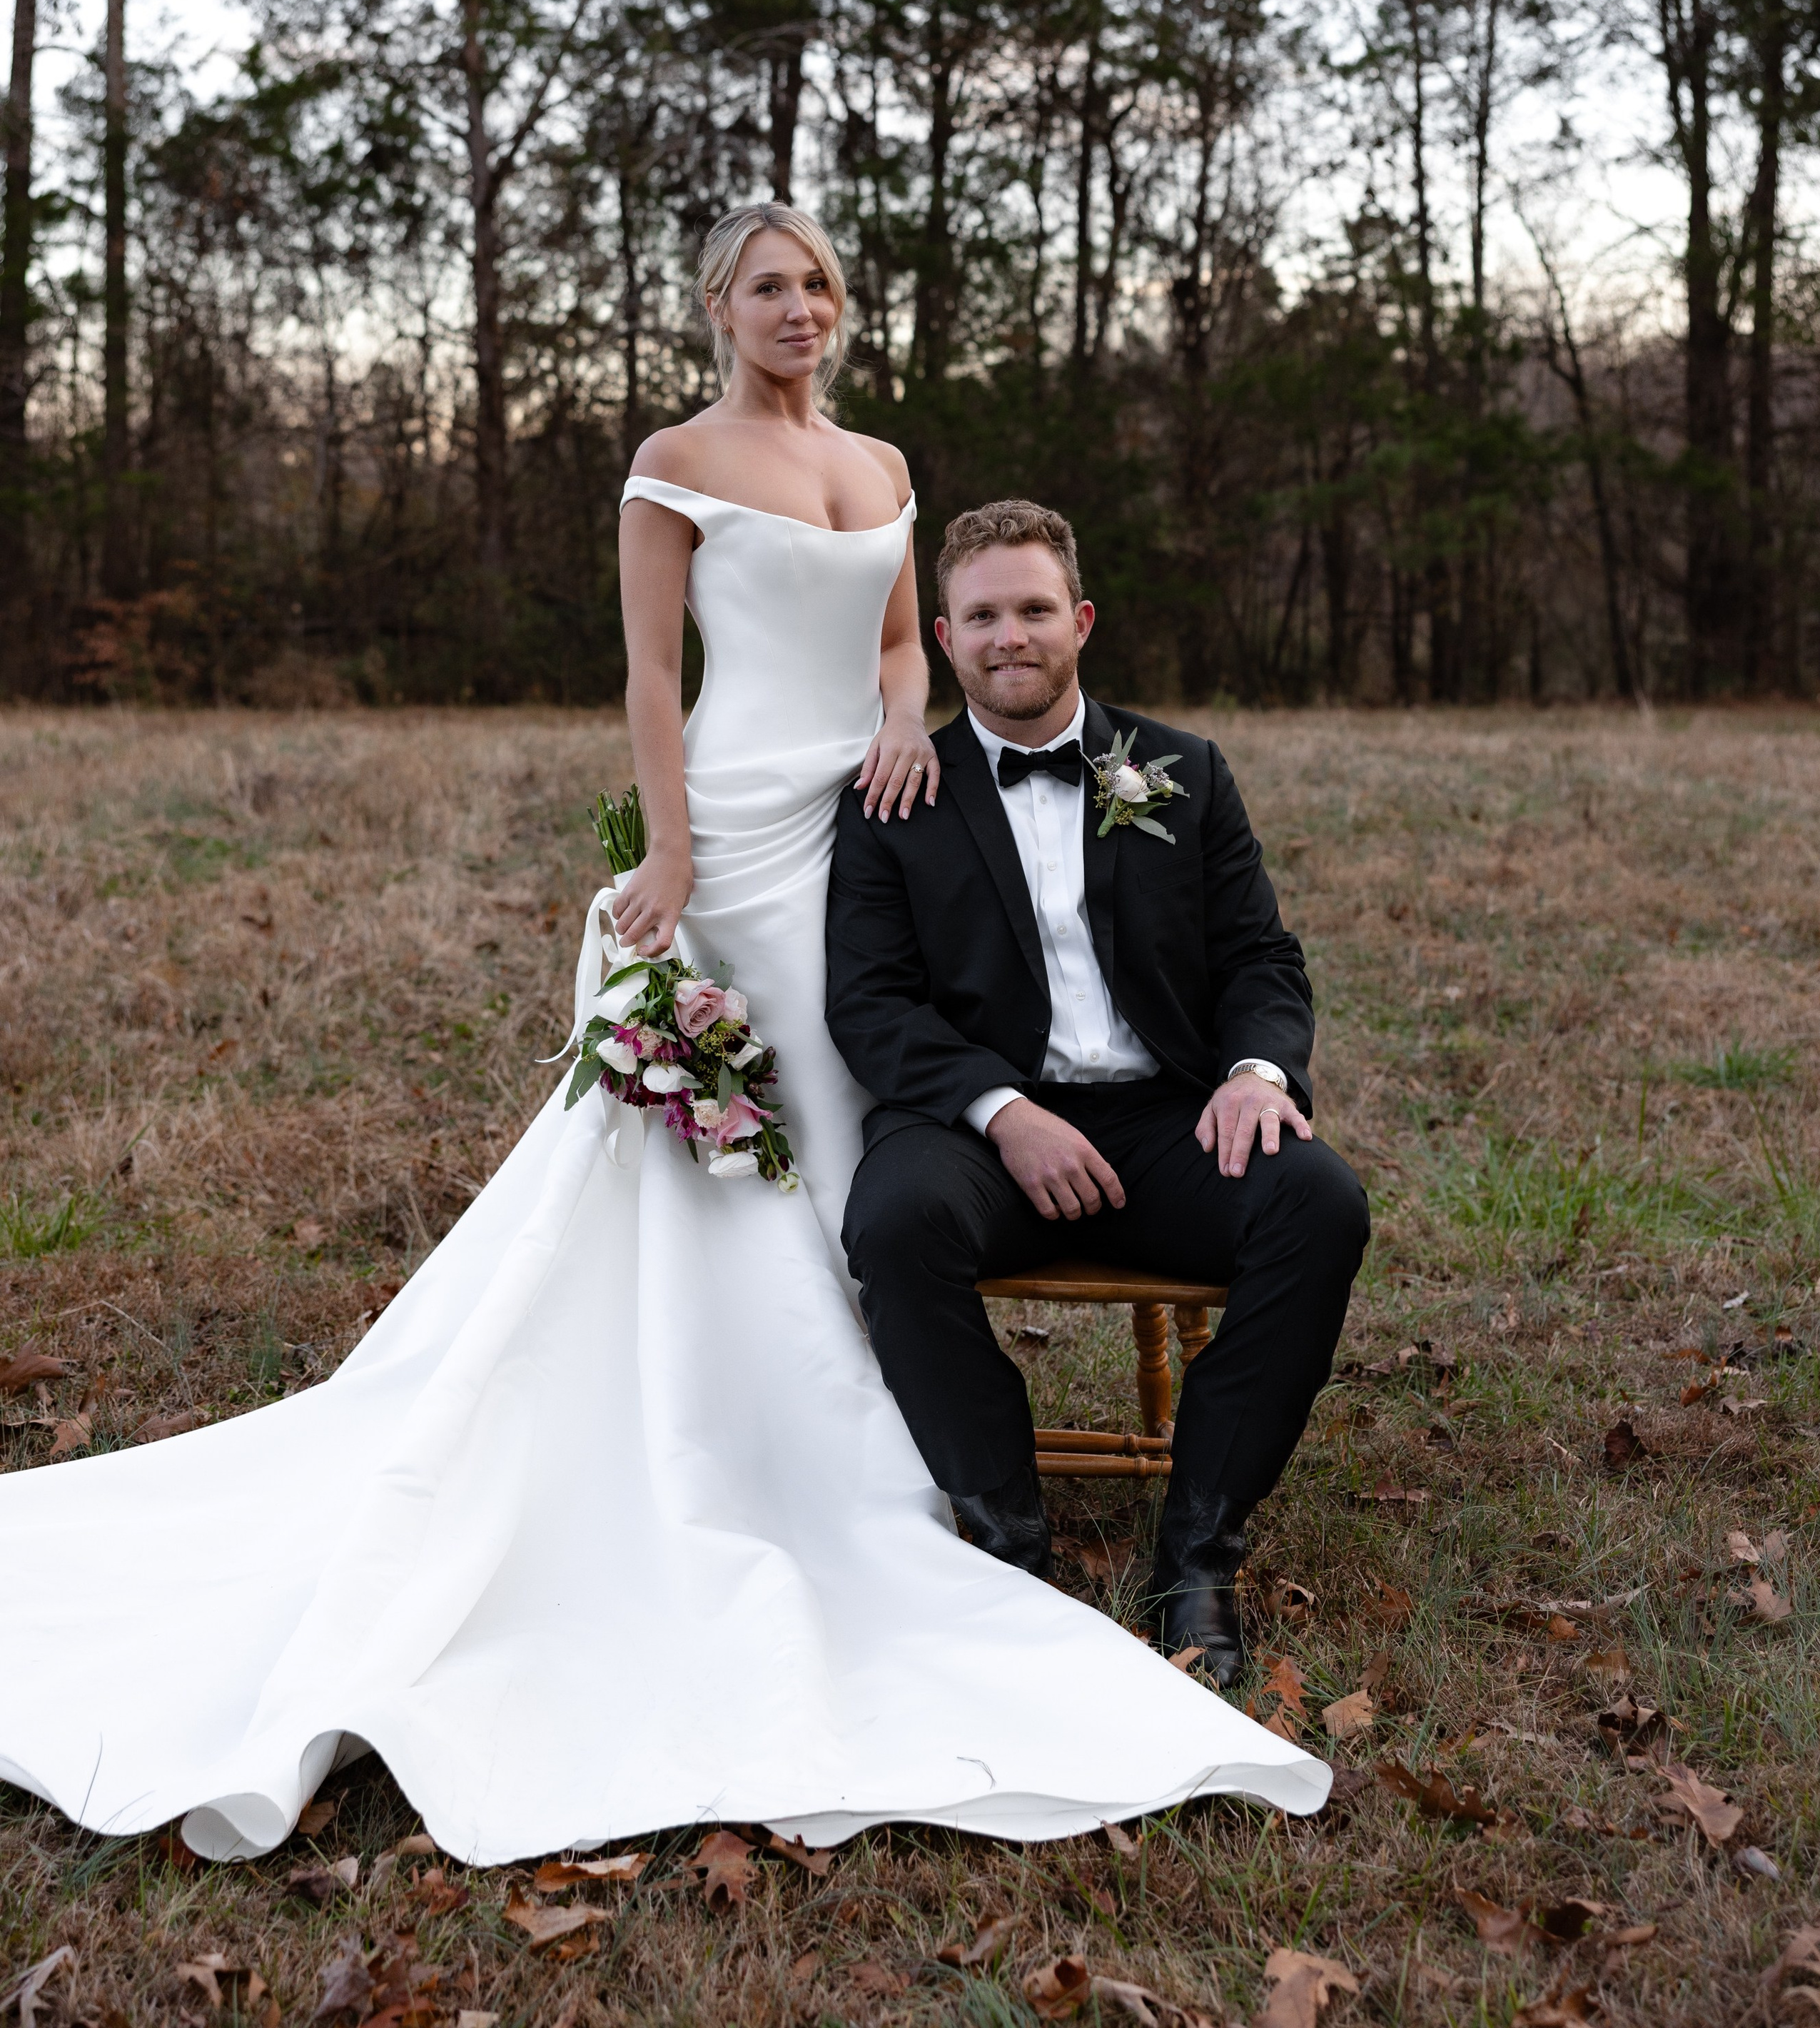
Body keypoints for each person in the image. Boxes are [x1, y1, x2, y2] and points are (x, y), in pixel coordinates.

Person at [0, 206, 1328, 1867]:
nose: (798, 305)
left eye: (817, 281)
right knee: (751, 1139)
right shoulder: (671, 460)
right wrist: (673, 847)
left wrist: (901, 732)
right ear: (716, 304)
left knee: (854, 1122)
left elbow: (903, 639)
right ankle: (753, 1433)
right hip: (732, 824)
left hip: (865, 805)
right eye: (768, 284)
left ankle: (888, 1430)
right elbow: (646, 670)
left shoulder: (881, 461)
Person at [828, 499, 1370, 1683]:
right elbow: (870, 1003)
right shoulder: (894, 792)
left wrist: (1254, 1072)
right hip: (983, 1125)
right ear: (944, 636)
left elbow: (1261, 958)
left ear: (1080, 620)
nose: (1009, 635)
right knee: (895, 1218)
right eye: (982, 616)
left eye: (1033, 609)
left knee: (1319, 1203)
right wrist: (1003, 1111)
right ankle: (1006, 1540)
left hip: (1167, 1118)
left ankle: (1198, 1551)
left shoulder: (1185, 771)